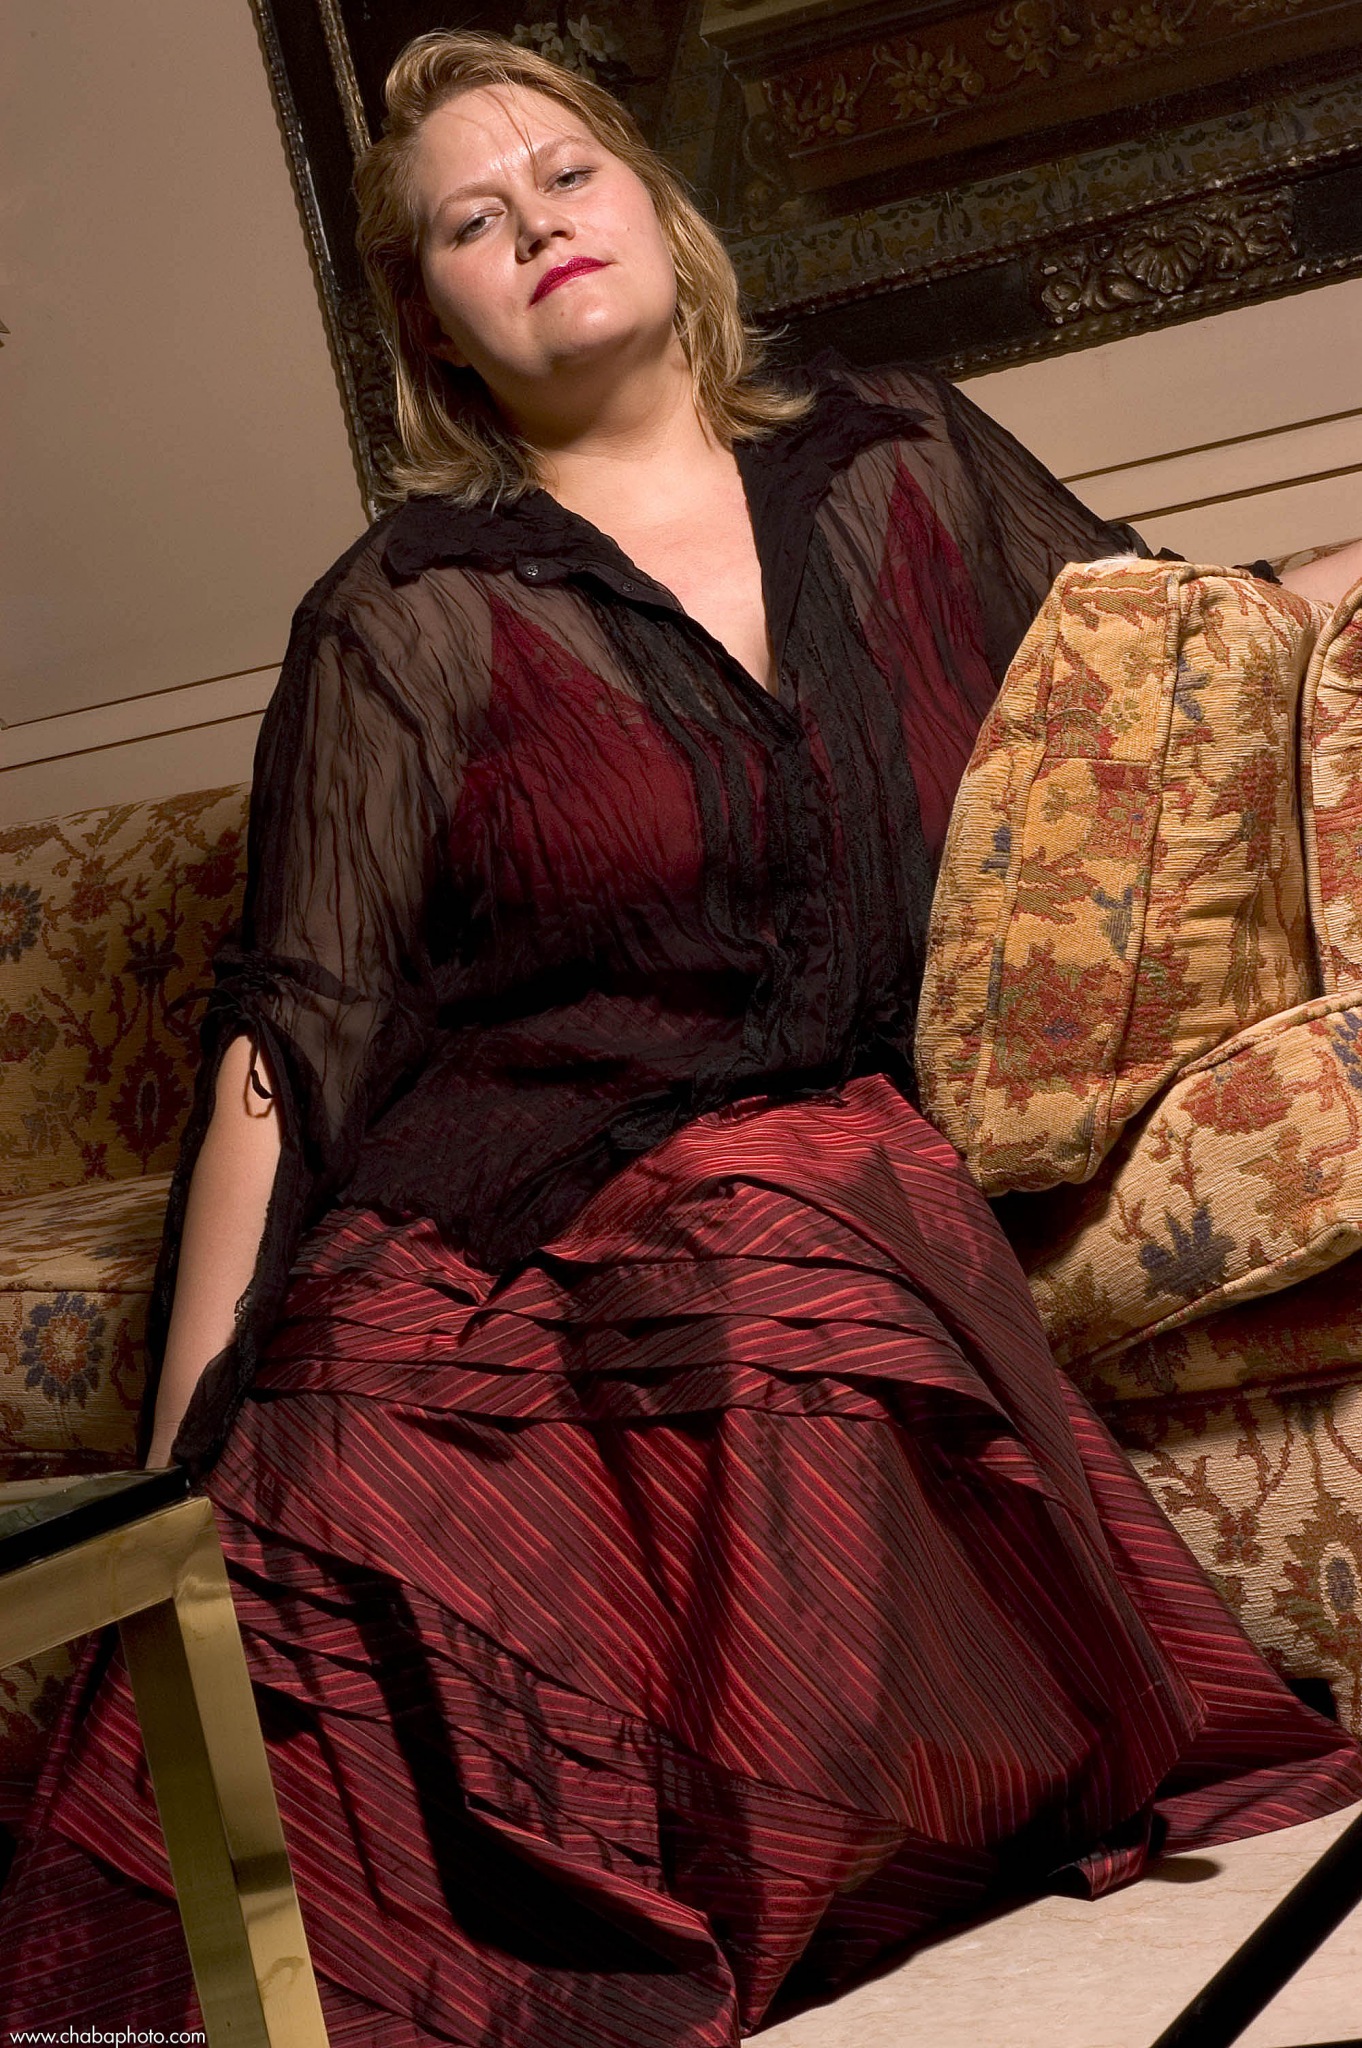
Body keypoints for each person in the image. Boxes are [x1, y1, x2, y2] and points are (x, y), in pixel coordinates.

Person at [2, 29, 1361, 2046]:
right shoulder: (405, 611)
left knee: (772, 1226)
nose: (536, 224)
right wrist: (177, 1454)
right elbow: (295, 1030)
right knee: (328, 1478)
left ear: (655, 207)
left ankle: (733, 1875)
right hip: (491, 1181)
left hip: (803, 1158)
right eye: (470, 221)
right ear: (431, 324)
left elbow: (1167, 658)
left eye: (566, 174)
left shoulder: (902, 458)